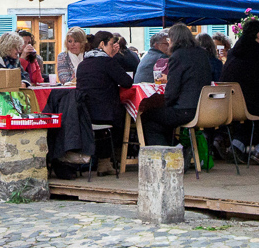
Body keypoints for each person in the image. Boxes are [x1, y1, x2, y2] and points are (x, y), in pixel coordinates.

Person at [142, 24, 214, 147]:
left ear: (174, 39)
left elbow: (172, 91)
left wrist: (166, 102)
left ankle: (170, 156)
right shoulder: (202, 54)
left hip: (185, 110)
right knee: (162, 121)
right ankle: (178, 149)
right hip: (204, 109)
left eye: (169, 39)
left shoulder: (177, 56)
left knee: (147, 117)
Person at [221, 19, 259, 161]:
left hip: (231, 104)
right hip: (253, 104)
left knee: (249, 115)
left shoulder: (232, 54)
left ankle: (236, 146)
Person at [75, 32, 133, 175]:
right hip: (106, 114)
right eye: (112, 43)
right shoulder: (107, 62)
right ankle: (107, 161)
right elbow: (127, 82)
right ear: (102, 44)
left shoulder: (83, 64)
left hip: (85, 114)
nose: (114, 47)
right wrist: (112, 59)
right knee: (125, 117)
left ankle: (104, 161)